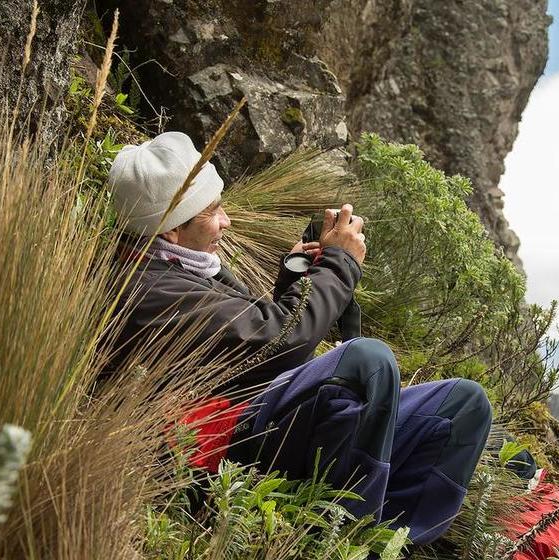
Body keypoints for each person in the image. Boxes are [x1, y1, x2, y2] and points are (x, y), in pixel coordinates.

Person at [106, 131, 492, 544]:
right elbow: (279, 342)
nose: (226, 221)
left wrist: (297, 276)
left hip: (260, 408)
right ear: (171, 232)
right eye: (212, 212)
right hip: (226, 443)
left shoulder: (185, 265)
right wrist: (340, 264)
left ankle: (389, 545)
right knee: (367, 363)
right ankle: (338, 540)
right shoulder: (145, 289)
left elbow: (255, 339)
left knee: (463, 405)